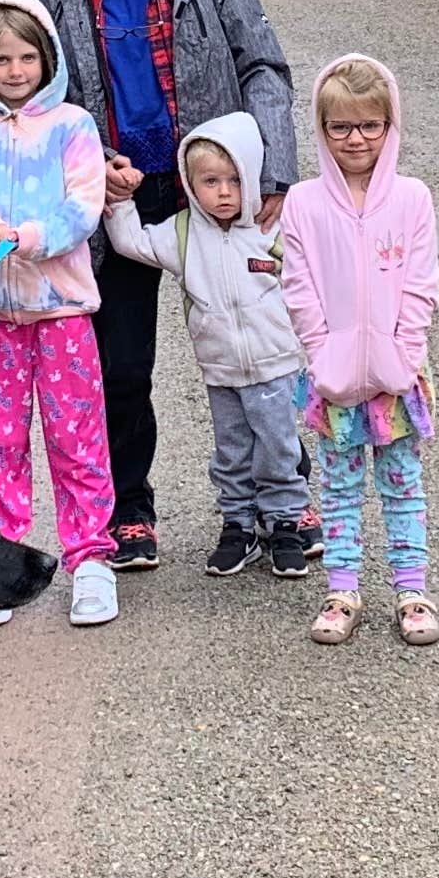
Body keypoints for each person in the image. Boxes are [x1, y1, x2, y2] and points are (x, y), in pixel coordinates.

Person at [22, 0, 298, 582]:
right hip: (118, 200)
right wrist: (86, 169)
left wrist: (269, 170)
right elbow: (35, 107)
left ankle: (285, 500)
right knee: (121, 367)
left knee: (263, 347)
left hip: (213, 189)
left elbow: (264, 66)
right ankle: (129, 510)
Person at [0, 0, 119, 628]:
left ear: (47, 59)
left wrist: (34, 237)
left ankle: (90, 557)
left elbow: (85, 205)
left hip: (62, 312)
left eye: (27, 57)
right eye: (1, 59)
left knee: (76, 437)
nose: (14, 70)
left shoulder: (72, 126)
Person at [100, 112, 320, 576]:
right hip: (220, 370)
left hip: (275, 366)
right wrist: (119, 202)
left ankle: (284, 521)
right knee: (231, 450)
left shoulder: (269, 229)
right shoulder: (183, 233)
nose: (223, 192)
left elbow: (313, 279)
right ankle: (238, 525)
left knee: (278, 446)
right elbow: (131, 244)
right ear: (190, 183)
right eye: (210, 181)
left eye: (234, 180)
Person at [278, 52, 439, 647]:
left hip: (397, 380)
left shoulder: (412, 198)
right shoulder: (303, 203)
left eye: (370, 125)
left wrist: (403, 353)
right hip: (334, 379)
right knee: (340, 486)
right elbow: (299, 286)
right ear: (321, 130)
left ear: (389, 126)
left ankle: (411, 589)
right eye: (340, 126)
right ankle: (342, 588)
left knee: (402, 483)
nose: (356, 139)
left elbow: (422, 283)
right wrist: (322, 356)